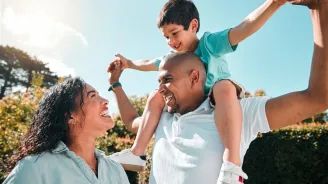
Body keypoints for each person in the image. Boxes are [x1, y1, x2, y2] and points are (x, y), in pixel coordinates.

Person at [107, 0, 328, 183]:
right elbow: (146, 69)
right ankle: (137, 153)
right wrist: (126, 67)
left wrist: (274, 3)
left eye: (174, 34)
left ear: (193, 26)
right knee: (154, 96)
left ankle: (232, 165)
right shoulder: (168, 71)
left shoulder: (210, 45)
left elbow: (244, 28)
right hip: (198, 102)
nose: (171, 42)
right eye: (166, 37)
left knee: (222, 87)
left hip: (222, 98)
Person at [3, 78, 130, 184]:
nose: (105, 100)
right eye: (93, 96)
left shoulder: (115, 169)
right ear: (70, 116)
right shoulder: (34, 167)